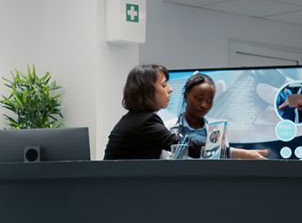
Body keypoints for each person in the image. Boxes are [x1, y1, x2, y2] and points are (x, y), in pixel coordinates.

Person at [104, 64, 266, 160]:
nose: (170, 89)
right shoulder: (146, 122)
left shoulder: (136, 119)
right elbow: (185, 146)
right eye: (163, 85)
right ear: (147, 91)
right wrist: (239, 153)